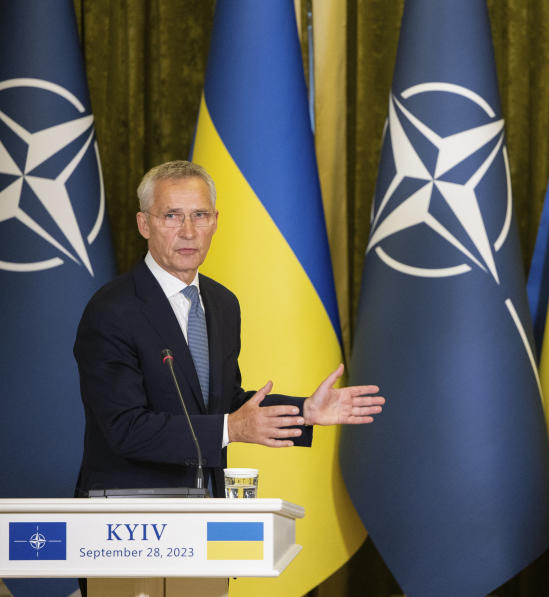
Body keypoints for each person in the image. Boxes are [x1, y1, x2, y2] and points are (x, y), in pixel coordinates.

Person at [74, 160, 384, 497]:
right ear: (144, 224)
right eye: (171, 216)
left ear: (216, 221)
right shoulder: (112, 309)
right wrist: (231, 428)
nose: (188, 231)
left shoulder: (222, 303)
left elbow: (224, 403)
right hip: (126, 518)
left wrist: (304, 411)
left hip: (206, 506)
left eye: (200, 215)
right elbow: (125, 428)